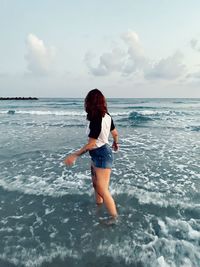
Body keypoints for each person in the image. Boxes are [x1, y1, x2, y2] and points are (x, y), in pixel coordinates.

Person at [64, 89, 119, 220]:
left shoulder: (96, 119)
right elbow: (115, 133)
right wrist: (115, 143)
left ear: (90, 102)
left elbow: (91, 144)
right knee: (96, 185)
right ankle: (98, 206)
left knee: (102, 189)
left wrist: (75, 155)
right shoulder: (107, 116)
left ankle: (114, 218)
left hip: (101, 154)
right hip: (99, 153)